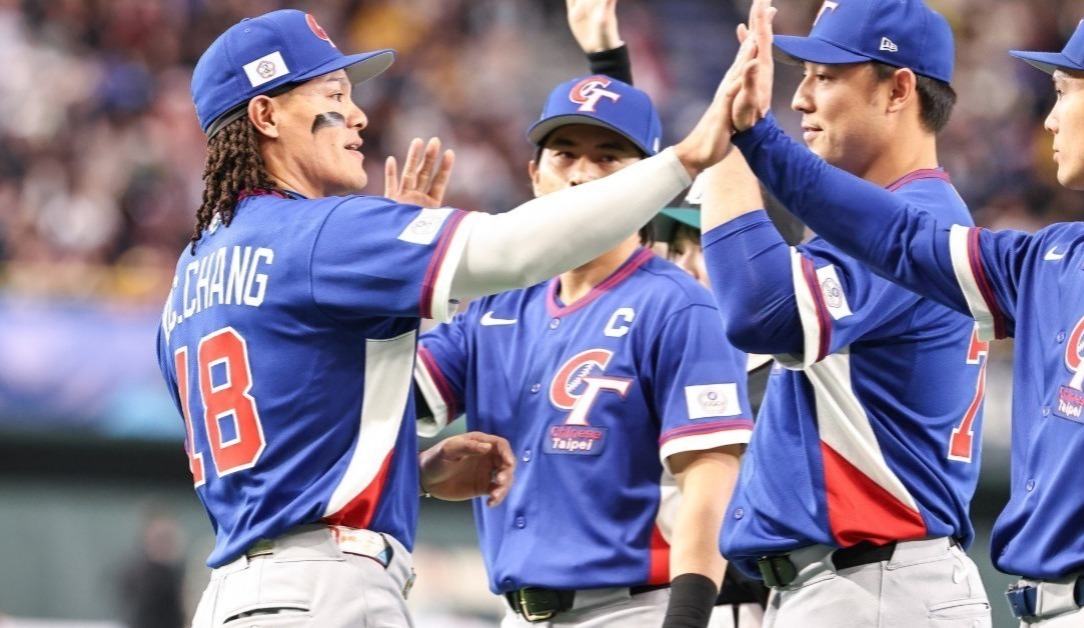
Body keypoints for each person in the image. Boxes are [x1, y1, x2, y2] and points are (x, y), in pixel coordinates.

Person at [157, 9, 732, 627]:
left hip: (236, 594)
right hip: (325, 586)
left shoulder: (189, 276)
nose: (358, 115)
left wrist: (413, 472)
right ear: (266, 115)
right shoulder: (324, 234)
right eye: (335, 96)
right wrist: (686, 159)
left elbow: (301, 432)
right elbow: (515, 249)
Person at [718, 0, 1084, 624]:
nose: (1050, 118)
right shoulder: (1052, 256)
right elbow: (898, 238)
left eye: (1062, 91)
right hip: (1046, 607)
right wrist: (754, 136)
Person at [684, 1, 995, 626]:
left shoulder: (919, 219)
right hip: (854, 583)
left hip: (877, 583)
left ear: (898, 90)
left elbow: (762, 313)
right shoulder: (885, 220)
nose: (800, 99)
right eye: (802, 76)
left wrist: (728, 147)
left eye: (824, 77)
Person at [413, 73, 752, 628]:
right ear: (534, 174)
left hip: (630, 609)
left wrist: (688, 619)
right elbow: (384, 397)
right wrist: (398, 277)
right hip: (516, 613)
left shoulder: (679, 305)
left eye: (608, 157)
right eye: (564, 153)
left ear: (649, 181)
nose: (582, 173)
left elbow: (710, 480)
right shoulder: (494, 304)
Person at [565, 6, 773, 625]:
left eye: (702, 246)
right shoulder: (667, 340)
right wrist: (608, 67)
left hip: (740, 608)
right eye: (673, 246)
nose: (678, 263)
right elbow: (622, 212)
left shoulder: (787, 365)